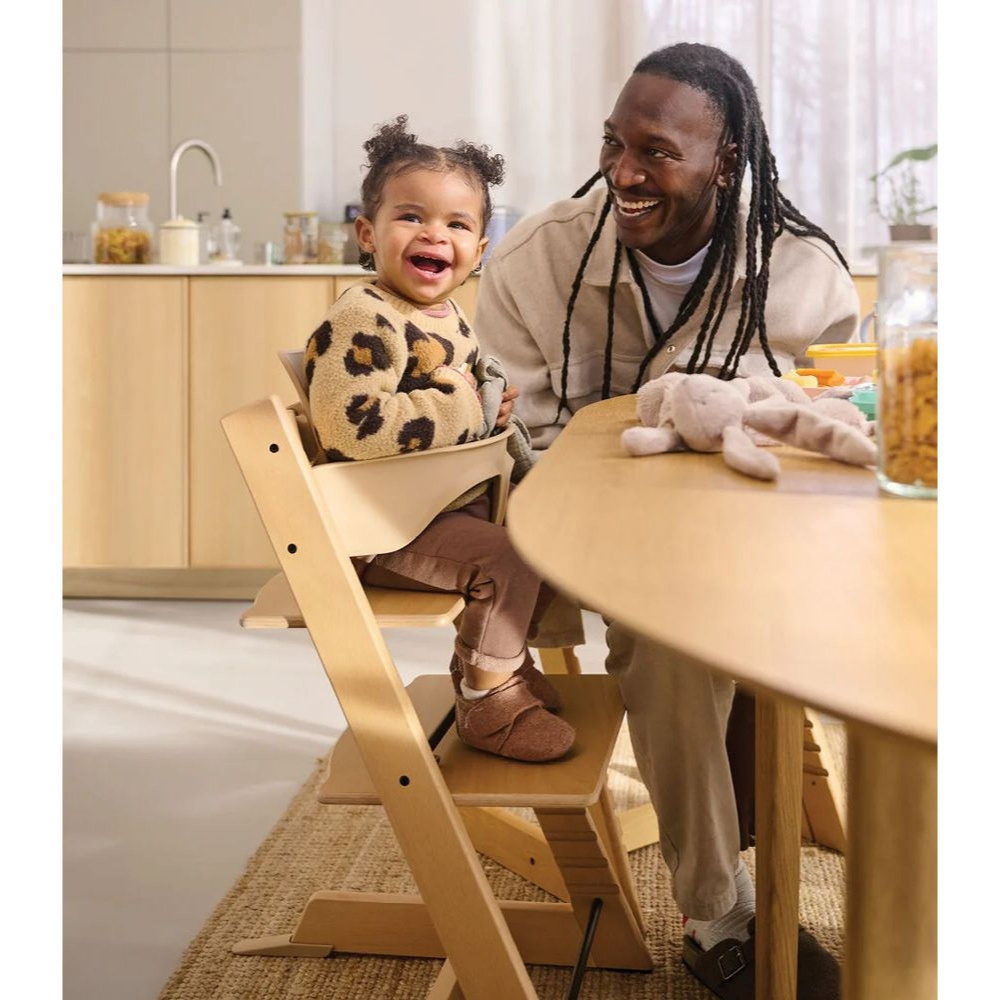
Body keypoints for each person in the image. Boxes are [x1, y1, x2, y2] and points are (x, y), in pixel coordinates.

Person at [475, 43, 852, 997]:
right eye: (614, 144)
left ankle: (908, 889)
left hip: (766, 542)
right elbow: (517, 441)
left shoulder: (800, 273)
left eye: (656, 152)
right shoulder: (538, 260)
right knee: (672, 625)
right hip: (592, 538)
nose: (625, 172)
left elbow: (833, 428)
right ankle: (721, 915)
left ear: (725, 162)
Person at [305, 116, 574, 764]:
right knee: (510, 557)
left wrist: (488, 410)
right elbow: (352, 424)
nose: (434, 234)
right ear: (368, 234)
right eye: (411, 217)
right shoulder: (364, 318)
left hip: (432, 507)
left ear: (478, 250)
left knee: (555, 530)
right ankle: (487, 698)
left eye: (456, 224)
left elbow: (455, 403)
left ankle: (498, 657)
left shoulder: (446, 315)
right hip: (384, 527)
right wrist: (462, 404)